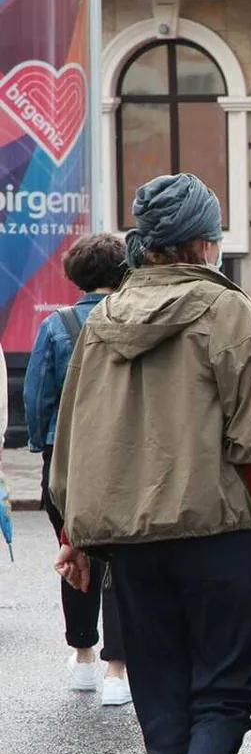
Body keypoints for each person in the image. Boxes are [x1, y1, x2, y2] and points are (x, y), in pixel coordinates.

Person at [51, 173, 251, 754]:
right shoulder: (228, 311)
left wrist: (76, 535)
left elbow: (77, 435)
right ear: (201, 243)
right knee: (225, 684)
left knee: (160, 694)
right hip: (217, 529)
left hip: (129, 541)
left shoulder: (104, 317)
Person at [24, 234, 132, 706]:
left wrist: (40, 444)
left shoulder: (56, 326)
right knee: (124, 562)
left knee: (75, 550)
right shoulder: (132, 317)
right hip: (124, 453)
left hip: (64, 457)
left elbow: (37, 395)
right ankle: (117, 669)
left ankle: (84, 655)